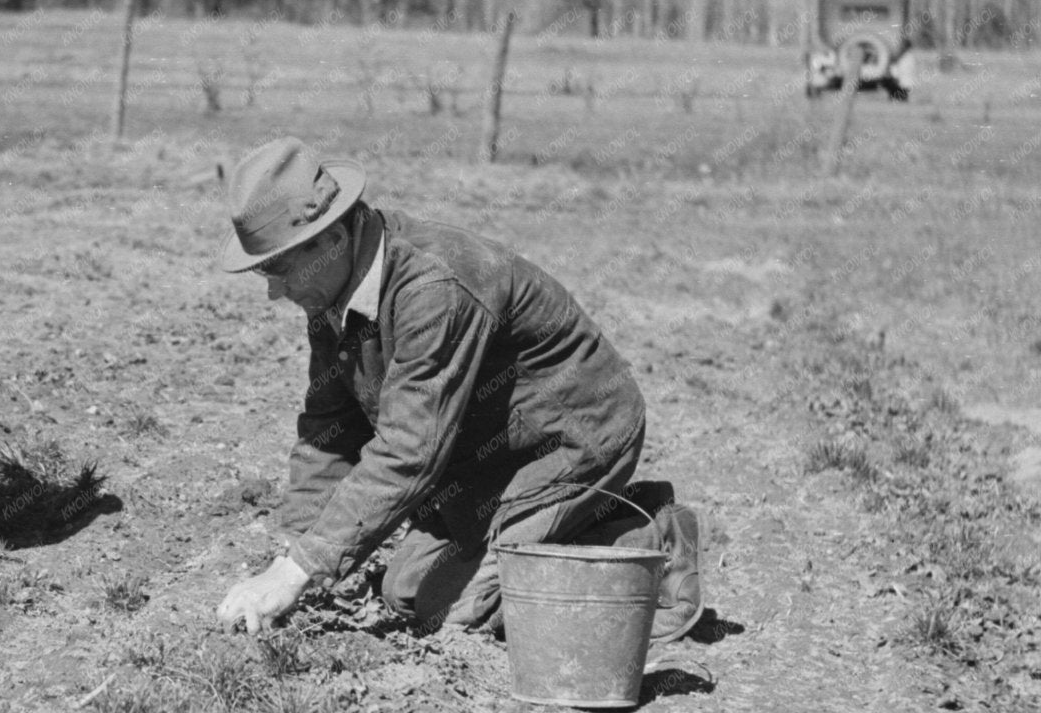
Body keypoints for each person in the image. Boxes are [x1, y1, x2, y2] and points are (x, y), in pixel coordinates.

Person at [214, 136, 701, 639]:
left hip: (572, 439)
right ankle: (566, 530)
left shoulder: (433, 287)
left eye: (280, 269)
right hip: (485, 455)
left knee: (459, 612)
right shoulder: (330, 294)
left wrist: (299, 570)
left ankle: (647, 537)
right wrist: (294, 551)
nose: (274, 291)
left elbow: (410, 449)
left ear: (332, 238)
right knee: (404, 592)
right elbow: (328, 435)